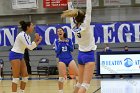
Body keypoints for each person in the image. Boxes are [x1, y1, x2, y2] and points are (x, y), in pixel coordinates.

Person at [61, 0, 97, 93]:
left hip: (81, 55)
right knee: (85, 84)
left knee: (79, 83)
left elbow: (72, 15)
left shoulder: (73, 26)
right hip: (89, 55)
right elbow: (89, 10)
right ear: (84, 17)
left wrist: (69, 2)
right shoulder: (86, 25)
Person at [9, 21, 42, 93]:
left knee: (25, 75)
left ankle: (21, 91)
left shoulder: (27, 36)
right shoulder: (22, 35)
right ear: (28, 27)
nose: (33, 27)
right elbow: (30, 47)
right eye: (32, 25)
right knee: (16, 77)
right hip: (14, 55)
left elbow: (29, 46)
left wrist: (36, 40)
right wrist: (38, 41)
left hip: (20, 55)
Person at [54, 27, 78, 93]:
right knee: (61, 78)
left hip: (70, 59)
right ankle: (60, 91)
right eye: (58, 31)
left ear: (63, 32)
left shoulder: (69, 40)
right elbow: (57, 52)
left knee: (78, 75)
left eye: (60, 30)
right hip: (61, 60)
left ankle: (77, 88)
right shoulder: (56, 41)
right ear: (57, 33)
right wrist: (61, 43)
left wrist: (66, 43)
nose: (59, 32)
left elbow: (72, 49)